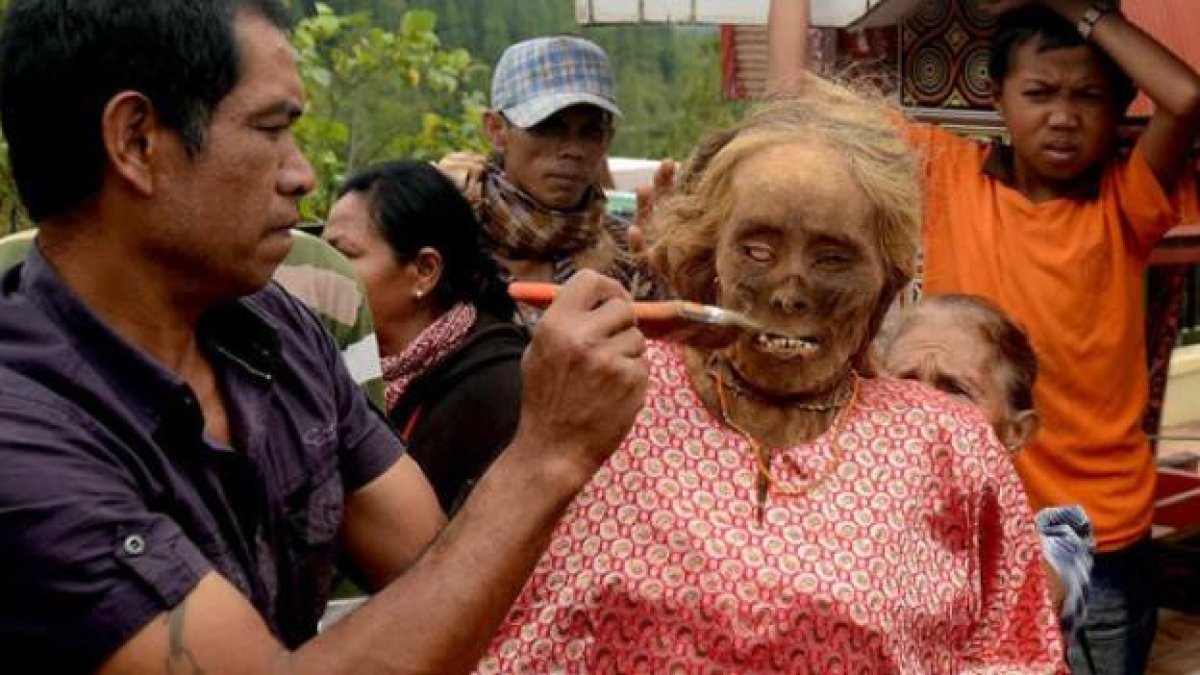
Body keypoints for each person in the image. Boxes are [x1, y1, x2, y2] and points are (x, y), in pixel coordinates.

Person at [0, 1, 648, 672]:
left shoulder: (280, 334)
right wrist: (546, 454)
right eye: (270, 129)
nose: (303, 174)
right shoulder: (21, 437)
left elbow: (435, 571)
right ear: (137, 142)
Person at [476, 82, 1065, 673]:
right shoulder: (607, 399)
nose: (789, 291)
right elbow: (508, 625)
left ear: (887, 284)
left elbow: (1015, 656)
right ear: (710, 262)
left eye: (833, 258)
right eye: (756, 251)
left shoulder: (951, 446)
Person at [767, 0, 1200, 671]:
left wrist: (1074, 9)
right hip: (964, 523)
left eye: (1087, 96)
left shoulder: (1127, 202)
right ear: (997, 96)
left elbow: (1186, 95)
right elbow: (796, 106)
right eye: (1039, 92)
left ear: (1117, 111)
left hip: (1102, 536)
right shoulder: (947, 174)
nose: (1062, 115)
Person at [881, 293, 1095, 635]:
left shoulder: (1059, 540)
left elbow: (1032, 594)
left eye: (955, 390)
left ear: (1017, 431)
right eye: (904, 383)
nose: (920, 408)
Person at [323, 159, 528, 514]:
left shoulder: (500, 389)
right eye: (322, 252)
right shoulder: (345, 367)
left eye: (343, 255)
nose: (324, 270)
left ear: (424, 271)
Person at [0, 227, 388, 408]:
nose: (299, 175)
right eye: (266, 129)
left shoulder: (329, 275)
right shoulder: (12, 267)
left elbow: (370, 450)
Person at [437, 35, 666, 302]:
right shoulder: (444, 236)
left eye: (591, 131)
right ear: (497, 130)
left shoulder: (627, 257)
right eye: (548, 127)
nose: (574, 150)